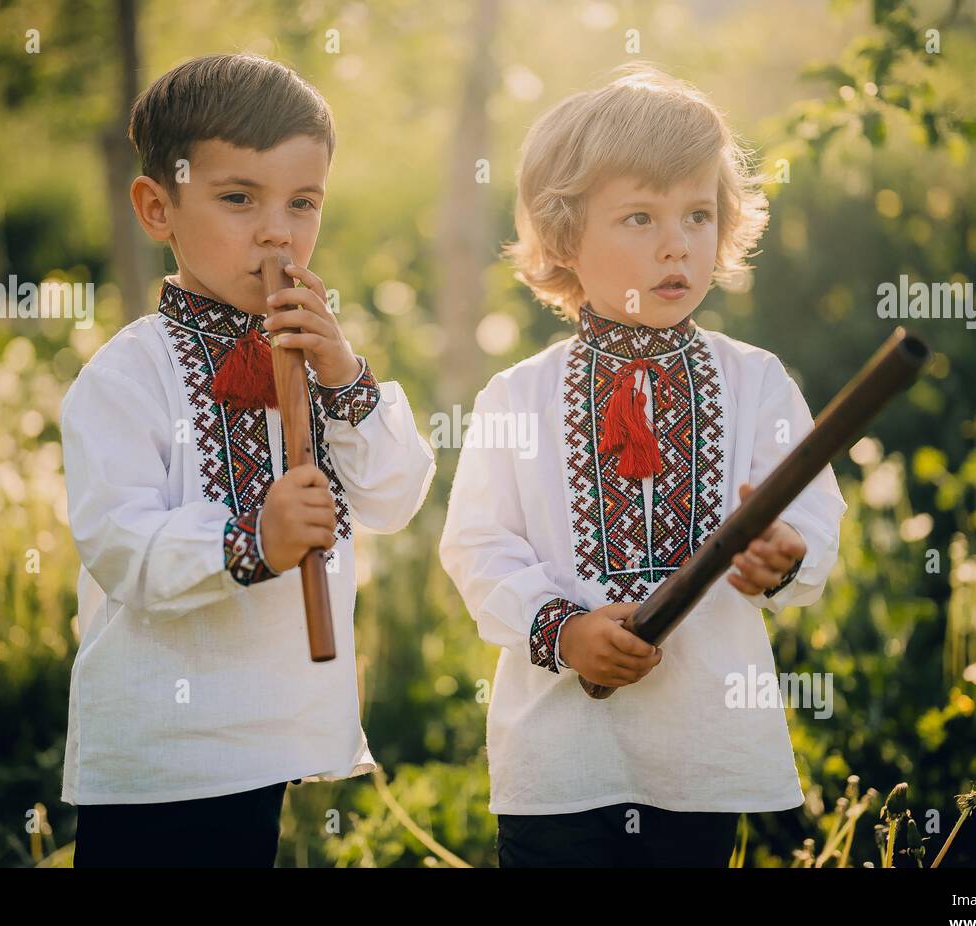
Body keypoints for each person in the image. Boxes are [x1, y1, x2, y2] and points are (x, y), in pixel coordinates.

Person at [439, 64, 848, 867]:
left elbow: (812, 512)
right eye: (639, 216)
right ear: (563, 237)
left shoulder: (755, 379)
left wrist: (785, 556)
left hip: (703, 751)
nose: (677, 243)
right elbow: (478, 549)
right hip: (560, 759)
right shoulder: (517, 395)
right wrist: (563, 630)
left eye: (699, 214)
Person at [59, 53, 435, 867]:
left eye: (303, 203)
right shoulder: (127, 376)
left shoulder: (318, 356)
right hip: (161, 750)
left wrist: (346, 375)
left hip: (274, 731)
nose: (277, 230)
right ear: (158, 207)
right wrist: (250, 542)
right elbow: (121, 548)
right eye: (239, 198)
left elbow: (396, 496)